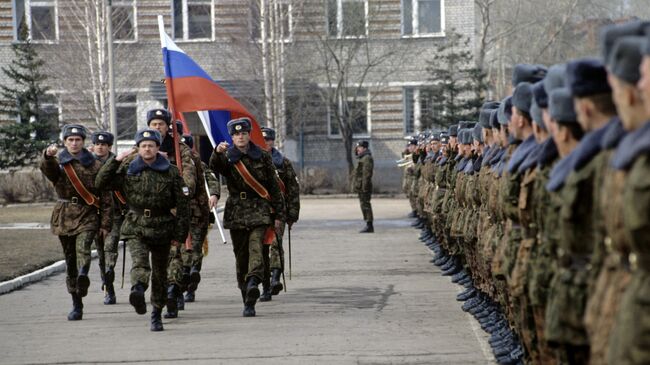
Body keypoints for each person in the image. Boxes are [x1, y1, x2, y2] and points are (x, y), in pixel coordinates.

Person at [95, 128, 190, 331]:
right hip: (136, 224)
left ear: (157, 148)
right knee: (139, 262)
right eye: (143, 146)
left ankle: (156, 313)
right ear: (137, 148)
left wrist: (180, 236)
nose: (147, 149)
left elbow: (183, 206)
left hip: (163, 227)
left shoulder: (171, 171)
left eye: (151, 145)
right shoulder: (128, 167)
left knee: (160, 274)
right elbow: (100, 182)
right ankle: (137, 290)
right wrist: (117, 160)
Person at [210, 118, 285, 317]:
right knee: (241, 256)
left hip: (259, 210)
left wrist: (279, 214)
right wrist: (216, 153)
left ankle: (253, 281)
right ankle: (247, 297)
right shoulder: (227, 156)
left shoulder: (261, 155)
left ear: (249, 134)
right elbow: (215, 168)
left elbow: (273, 186)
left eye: (243, 133)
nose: (240, 137)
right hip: (237, 211)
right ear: (232, 137)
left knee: (257, 250)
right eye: (236, 134)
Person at [40, 124, 111, 321]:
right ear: (64, 142)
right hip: (64, 215)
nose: (74, 143)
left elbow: (105, 196)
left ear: (83, 142)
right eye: (70, 140)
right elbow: (49, 171)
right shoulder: (59, 163)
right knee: (70, 259)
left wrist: (105, 224)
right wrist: (47, 156)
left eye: (78, 140)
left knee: (84, 246)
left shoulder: (95, 165)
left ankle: (84, 273)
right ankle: (76, 303)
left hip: (87, 214)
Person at [178, 134, 221, 304]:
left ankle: (191, 282)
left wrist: (215, 195)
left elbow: (212, 180)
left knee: (195, 248)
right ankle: (180, 284)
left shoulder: (199, 165)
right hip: (177, 215)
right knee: (179, 252)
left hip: (197, 213)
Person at [259, 127, 300, 301]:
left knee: (276, 244)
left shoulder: (283, 163)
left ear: (273, 141)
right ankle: (266, 285)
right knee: (261, 248)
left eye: (268, 140)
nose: (265, 143)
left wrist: (292, 214)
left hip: (278, 211)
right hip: (258, 212)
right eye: (262, 140)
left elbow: (293, 189)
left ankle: (275, 277)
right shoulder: (253, 162)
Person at [90, 131, 125, 305]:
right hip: (94, 214)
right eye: (97, 143)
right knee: (101, 253)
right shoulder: (86, 163)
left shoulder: (119, 163)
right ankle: (107, 286)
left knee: (110, 247)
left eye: (104, 144)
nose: (100, 146)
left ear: (109, 147)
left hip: (115, 215)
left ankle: (109, 275)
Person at [352, 140, 374, 233]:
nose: (357, 149)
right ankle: (367, 223)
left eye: (359, 148)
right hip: (361, 186)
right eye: (357, 148)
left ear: (364, 148)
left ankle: (369, 224)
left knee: (366, 205)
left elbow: (367, 174)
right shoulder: (362, 158)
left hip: (364, 186)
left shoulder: (367, 158)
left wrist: (365, 187)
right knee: (363, 205)